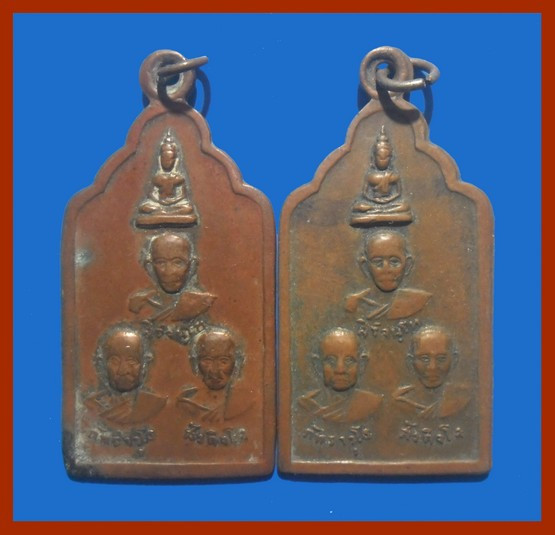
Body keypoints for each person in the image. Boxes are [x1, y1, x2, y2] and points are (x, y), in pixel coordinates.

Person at [85, 325, 167, 425]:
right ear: (102, 364)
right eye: (115, 361)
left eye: (131, 361)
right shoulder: (92, 405)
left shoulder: (153, 404)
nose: (123, 370)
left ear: (145, 364)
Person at [298, 328, 382, 423]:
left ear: (362, 364)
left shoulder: (371, 403)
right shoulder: (306, 404)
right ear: (318, 365)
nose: (340, 370)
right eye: (331, 360)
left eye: (349, 361)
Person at [128, 233, 216, 323]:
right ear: (149, 266)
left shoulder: (201, 303)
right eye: (161, 262)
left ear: (192, 265)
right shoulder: (139, 304)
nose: (169, 272)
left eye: (178, 262)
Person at [345, 230, 431, 320]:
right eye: (377, 262)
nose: (386, 269)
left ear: (408, 265)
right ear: (365, 266)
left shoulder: (418, 301)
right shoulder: (354, 303)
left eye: (394, 261)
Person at [393, 325, 470, 419]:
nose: (432, 367)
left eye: (441, 359)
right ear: (410, 362)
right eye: (424, 359)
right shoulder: (401, 400)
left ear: (454, 360)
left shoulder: (461, 398)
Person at [177, 328, 252, 423]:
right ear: (195, 363)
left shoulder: (245, 404)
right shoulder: (185, 406)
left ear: (237, 363)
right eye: (207, 360)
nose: (215, 371)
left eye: (223, 361)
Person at [351, 125, 412, 225]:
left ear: (391, 158)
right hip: (373, 203)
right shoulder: (370, 176)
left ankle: (378, 213)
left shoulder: (394, 175)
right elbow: (365, 193)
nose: (383, 161)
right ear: (374, 158)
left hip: (390, 203)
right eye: (380, 157)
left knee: (404, 206)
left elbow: (398, 193)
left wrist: (388, 200)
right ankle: (379, 212)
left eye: (386, 158)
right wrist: (374, 200)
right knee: (358, 206)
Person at [137, 130, 196, 220]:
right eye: (164, 158)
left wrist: (173, 201)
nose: (167, 162)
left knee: (188, 208)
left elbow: (183, 196)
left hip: (175, 204)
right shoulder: (156, 178)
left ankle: (165, 213)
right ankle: (165, 212)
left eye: (169, 159)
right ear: (160, 158)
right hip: (158, 204)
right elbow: (151, 194)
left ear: (175, 160)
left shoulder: (179, 178)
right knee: (144, 207)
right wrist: (159, 201)